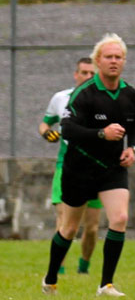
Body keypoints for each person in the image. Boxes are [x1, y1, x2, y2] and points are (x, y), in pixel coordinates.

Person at [41, 33, 135, 297]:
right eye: (108, 56)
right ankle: (50, 278)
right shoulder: (83, 94)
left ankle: (105, 284)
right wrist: (101, 134)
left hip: (112, 168)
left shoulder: (129, 93)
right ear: (98, 60)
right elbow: (67, 128)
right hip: (79, 169)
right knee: (70, 228)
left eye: (118, 57)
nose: (113, 61)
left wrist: (132, 147)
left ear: (124, 62)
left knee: (120, 218)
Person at [39, 57, 101, 275]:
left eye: (92, 73)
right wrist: (47, 133)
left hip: (95, 167)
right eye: (84, 73)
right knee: (64, 220)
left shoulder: (103, 100)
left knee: (92, 227)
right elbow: (45, 123)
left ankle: (83, 267)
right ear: (76, 75)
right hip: (66, 165)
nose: (87, 77)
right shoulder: (61, 98)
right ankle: (60, 270)